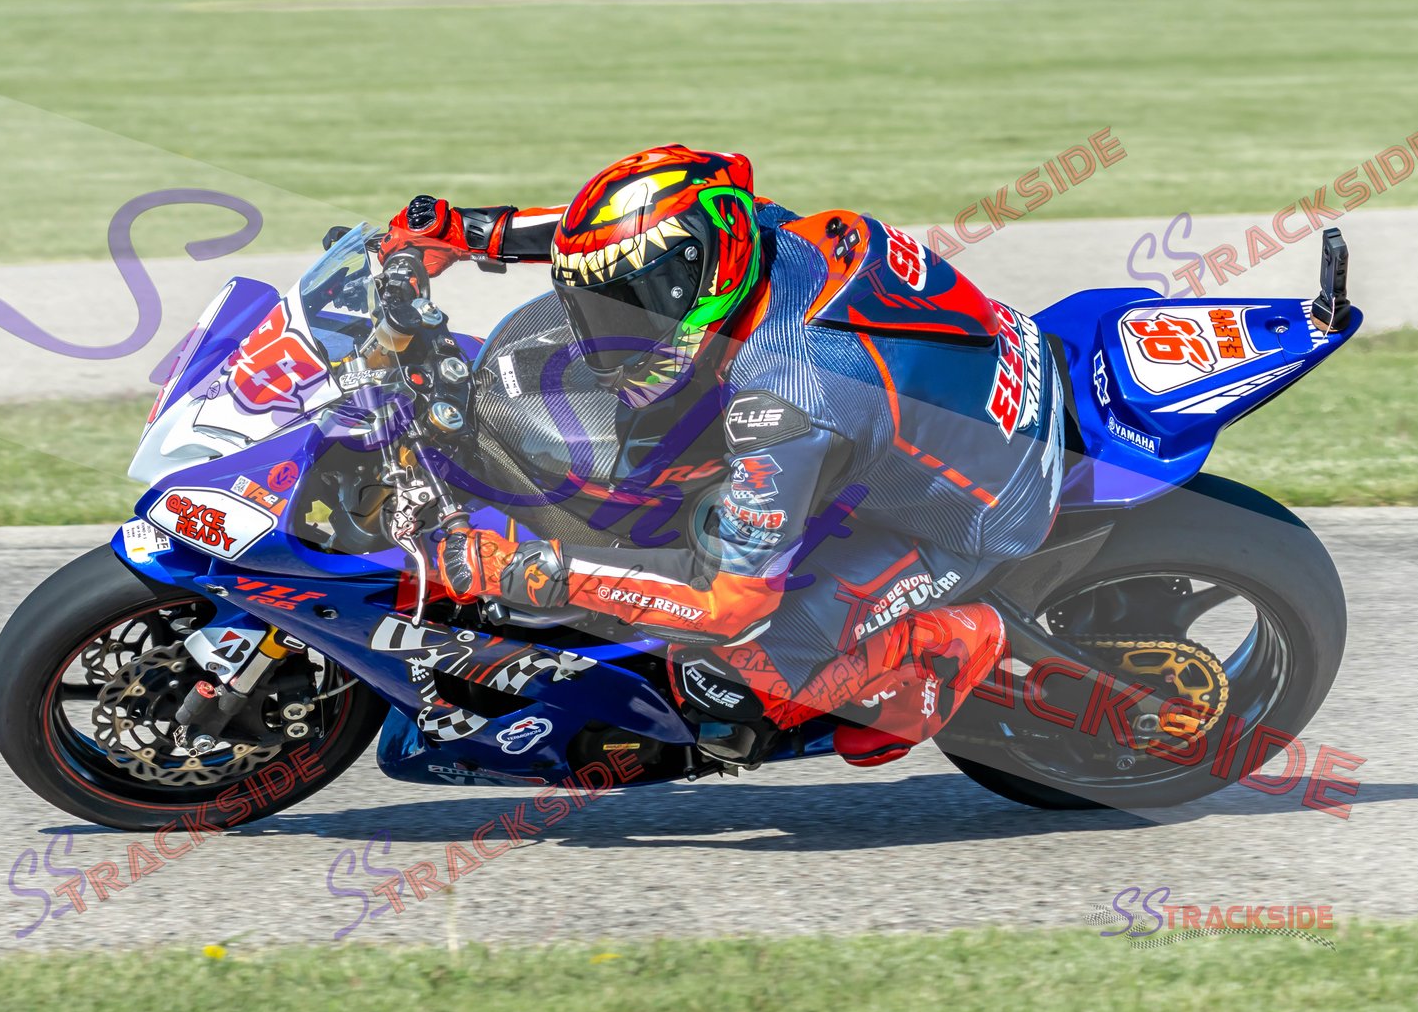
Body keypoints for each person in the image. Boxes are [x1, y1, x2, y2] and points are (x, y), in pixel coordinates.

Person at [377, 144, 1063, 767]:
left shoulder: (784, 405)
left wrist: (536, 570)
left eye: (634, 307)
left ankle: (949, 646)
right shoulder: (740, 228)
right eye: (604, 305)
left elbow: (728, 601)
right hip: (964, 387)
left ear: (702, 278)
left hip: (976, 513)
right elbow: (609, 241)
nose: (607, 329)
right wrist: (464, 231)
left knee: (728, 682)